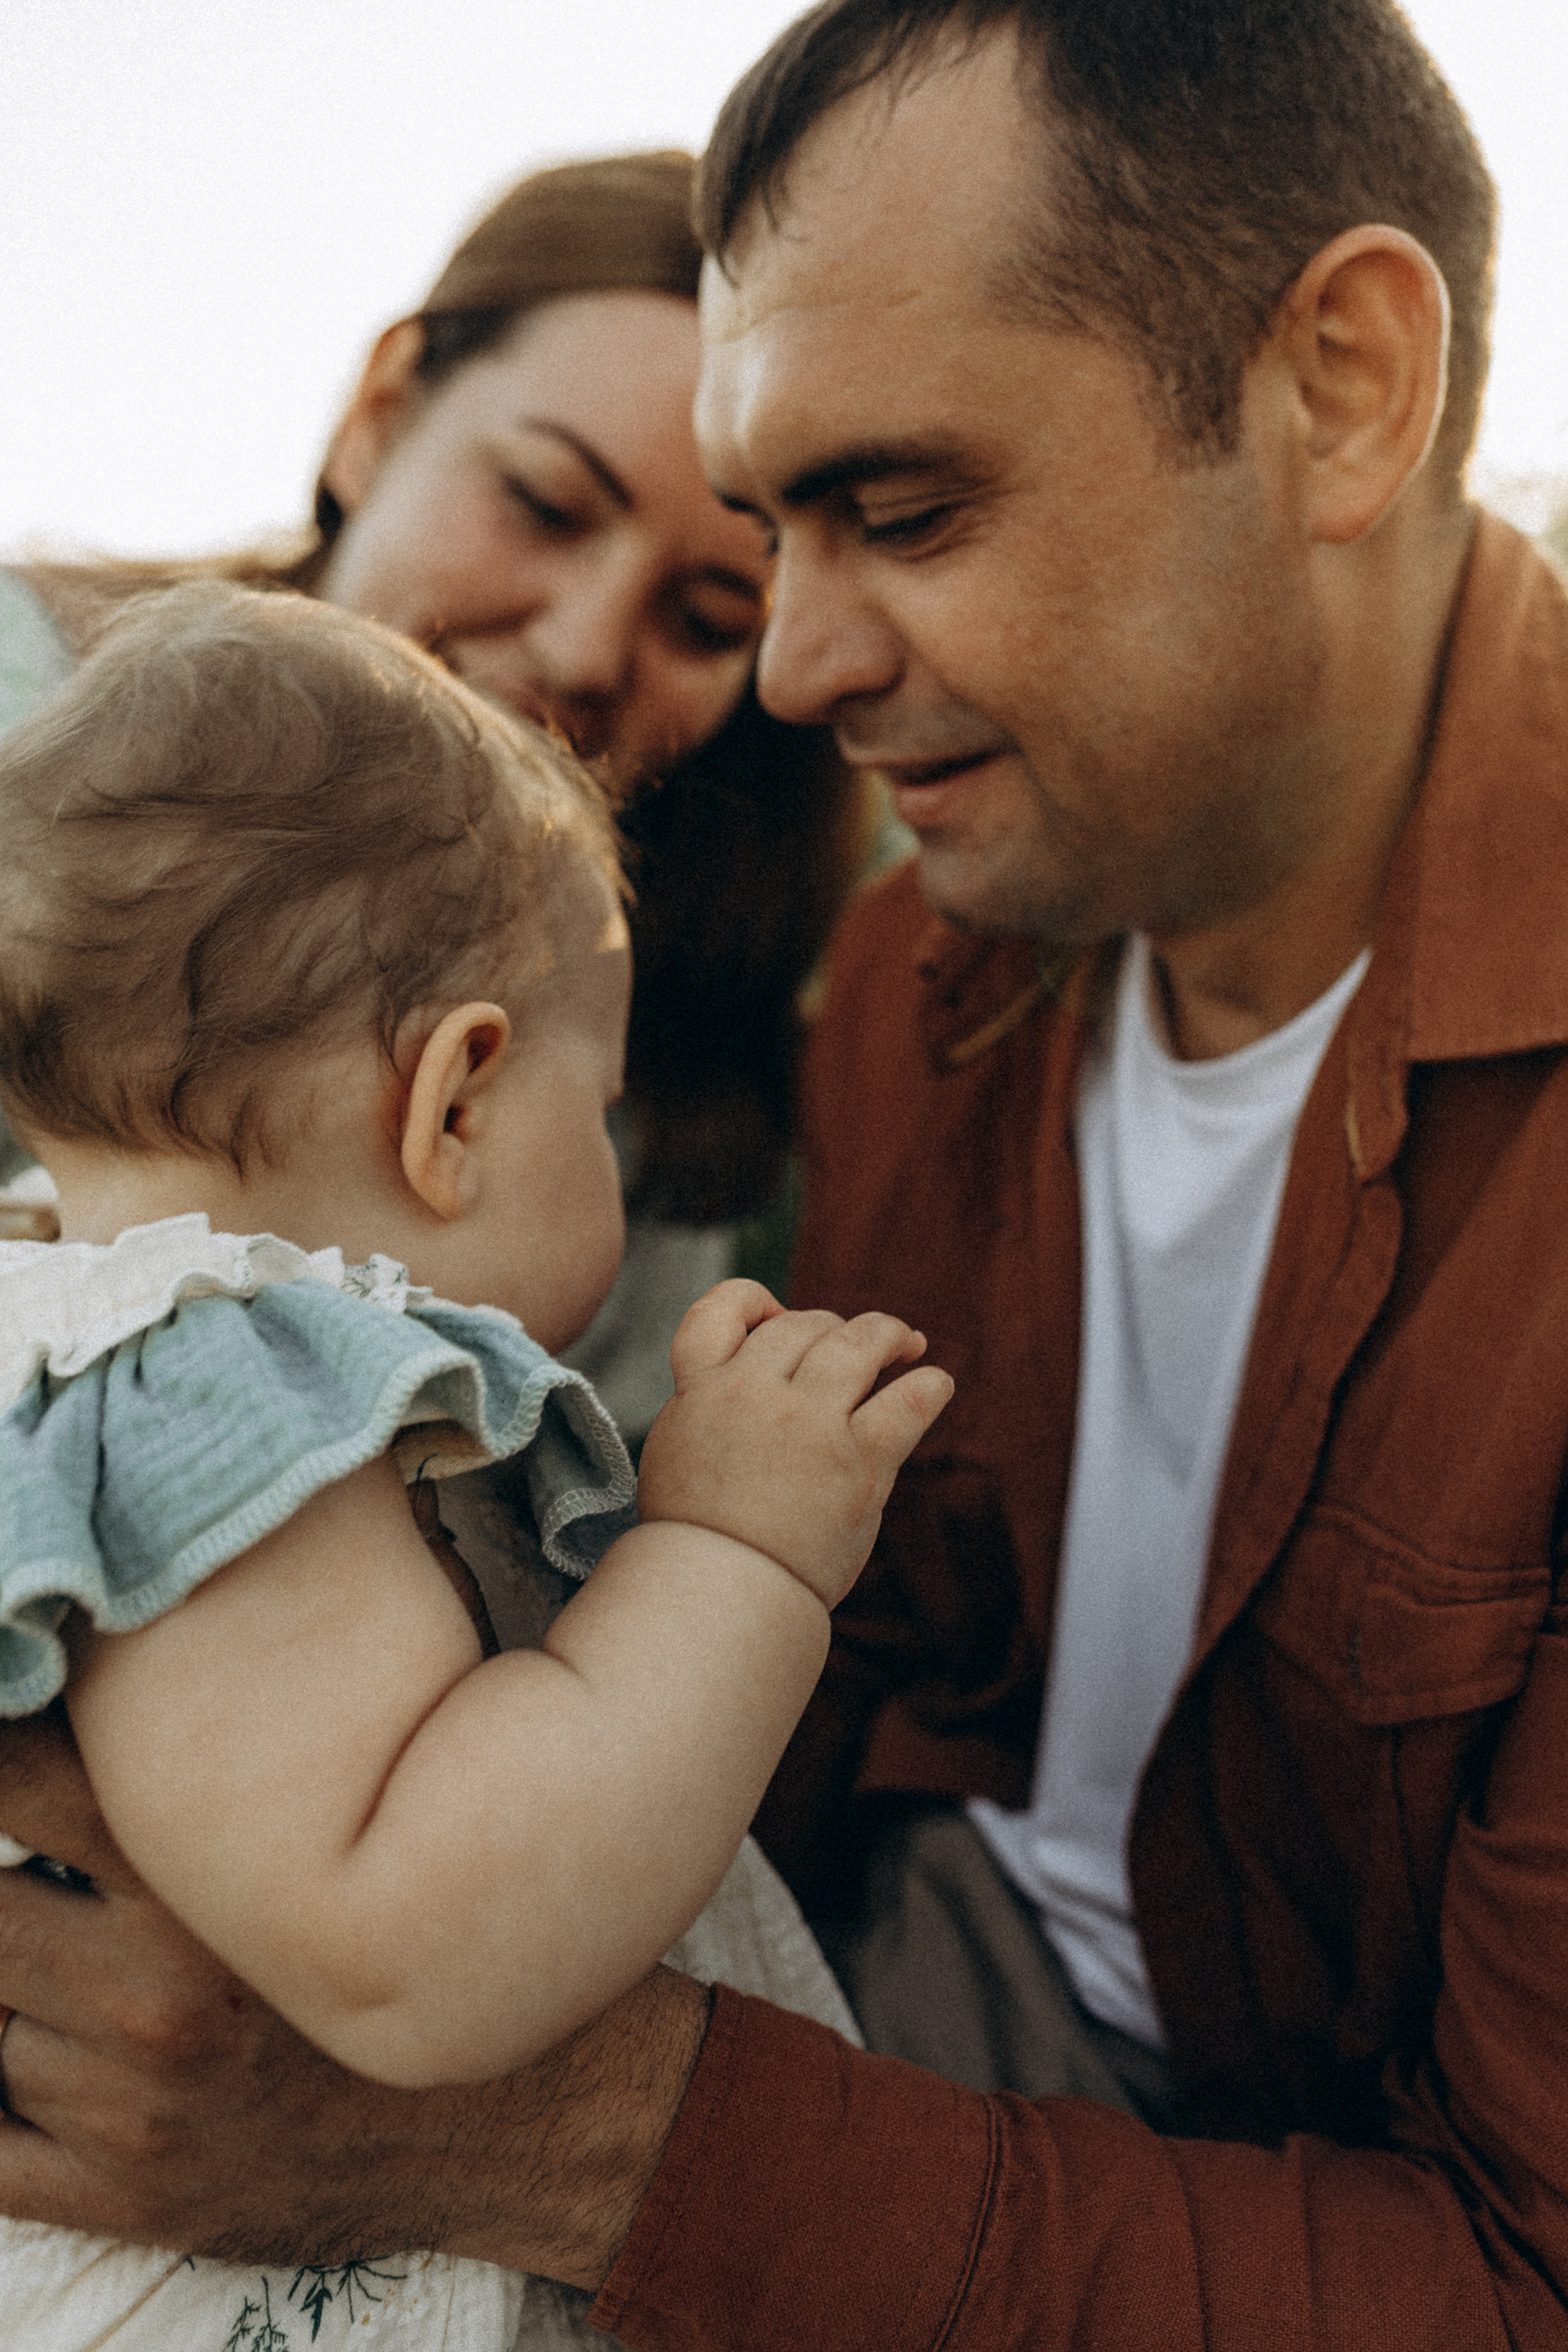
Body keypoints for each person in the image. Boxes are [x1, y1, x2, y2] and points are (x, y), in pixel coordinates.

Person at [5, 2, 1567, 2346]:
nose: (795, 671)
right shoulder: (925, 978)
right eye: (774, 542)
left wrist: (518, 2123)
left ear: (1343, 385)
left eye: (906, 513)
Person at [0, 580, 947, 2348]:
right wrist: (735, 1549)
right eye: (599, 1109)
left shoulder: (68, 1331)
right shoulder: (227, 1402)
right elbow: (409, 1952)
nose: (614, 1149)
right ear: (455, 1104)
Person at [1, 149, 864, 1446]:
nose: (584, 650)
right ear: (381, 414)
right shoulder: (26, 727)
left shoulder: (647, 1011)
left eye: (707, 617)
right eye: (544, 504)